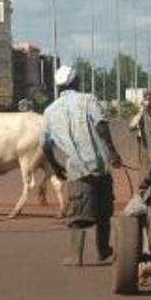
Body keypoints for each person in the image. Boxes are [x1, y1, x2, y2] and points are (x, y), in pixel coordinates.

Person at [42, 65, 122, 266]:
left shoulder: (49, 111)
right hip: (100, 165)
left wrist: (55, 166)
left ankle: (75, 255)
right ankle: (103, 251)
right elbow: (101, 125)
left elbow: (45, 146)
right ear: (76, 82)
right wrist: (112, 152)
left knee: (78, 215)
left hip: (76, 169)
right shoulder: (88, 100)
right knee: (104, 212)